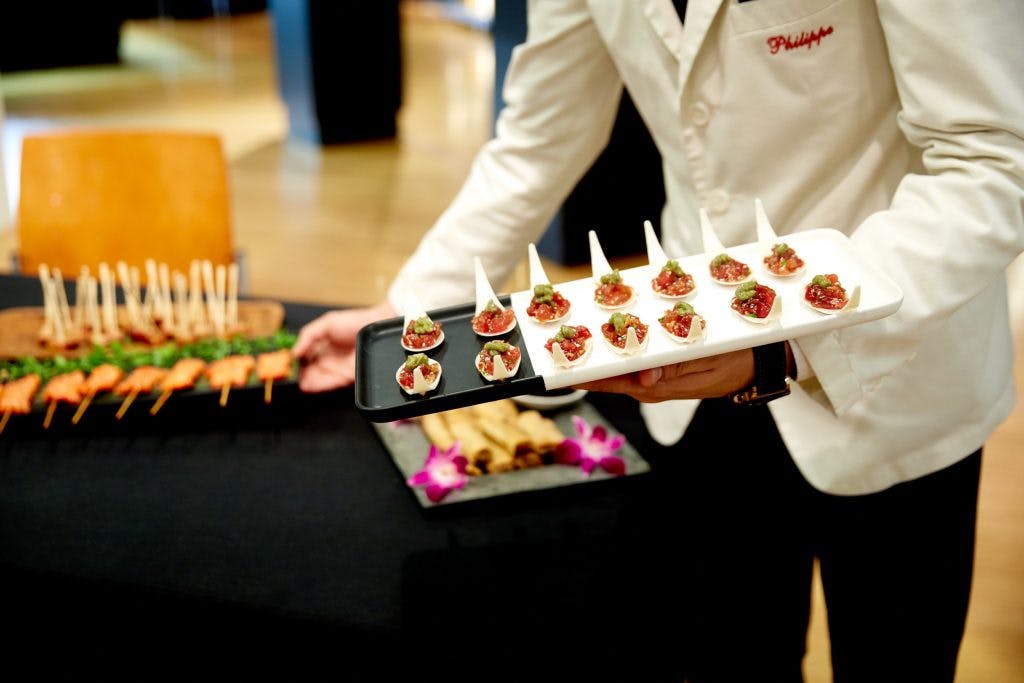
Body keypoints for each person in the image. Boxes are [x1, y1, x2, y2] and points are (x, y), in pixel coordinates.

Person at [293, 1, 1024, 680]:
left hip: (900, 362)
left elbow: (993, 158)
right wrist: (410, 309)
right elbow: (539, 138)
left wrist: (786, 343)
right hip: (696, 372)